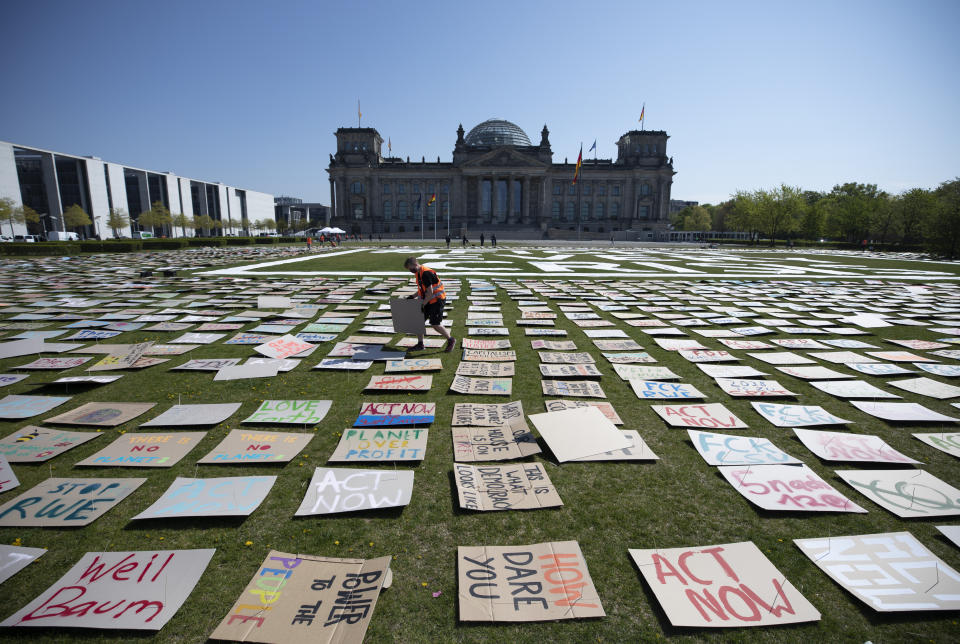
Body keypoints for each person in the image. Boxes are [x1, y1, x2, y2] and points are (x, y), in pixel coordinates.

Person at [403, 256, 456, 353]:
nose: (410, 270)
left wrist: (423, 304)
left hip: (436, 300)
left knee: (435, 324)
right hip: (428, 300)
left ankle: (451, 339)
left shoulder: (425, 273)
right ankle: (420, 344)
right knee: (418, 322)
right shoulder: (418, 273)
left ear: (415, 264)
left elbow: (430, 292)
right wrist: (412, 296)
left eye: (410, 268)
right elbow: (422, 290)